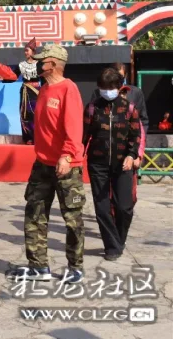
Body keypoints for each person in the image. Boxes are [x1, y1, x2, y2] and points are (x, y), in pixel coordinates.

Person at [11, 44, 85, 284]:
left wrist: (66, 156)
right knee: (34, 214)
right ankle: (38, 266)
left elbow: (74, 128)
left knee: (72, 219)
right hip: (42, 164)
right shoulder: (43, 90)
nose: (38, 64)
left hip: (66, 165)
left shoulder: (68, 89)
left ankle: (75, 267)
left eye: (42, 61)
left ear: (53, 64)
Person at [83, 67, 141, 261]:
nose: (106, 91)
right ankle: (112, 246)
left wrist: (132, 155)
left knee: (124, 206)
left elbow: (135, 135)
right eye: (102, 87)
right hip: (97, 163)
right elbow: (83, 136)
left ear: (118, 86)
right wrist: (74, 157)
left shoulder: (130, 108)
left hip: (122, 164)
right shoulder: (92, 108)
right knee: (102, 208)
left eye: (110, 87)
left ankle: (119, 239)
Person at [89, 62, 149, 169]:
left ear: (124, 76)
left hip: (128, 152)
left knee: (127, 184)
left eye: (119, 76)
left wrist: (137, 153)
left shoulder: (134, 93)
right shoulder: (98, 93)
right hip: (102, 156)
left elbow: (141, 123)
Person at [18, 38, 41, 145]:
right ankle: (28, 137)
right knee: (25, 114)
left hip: (36, 92)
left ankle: (37, 137)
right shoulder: (21, 65)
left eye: (27, 50)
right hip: (25, 92)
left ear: (33, 51)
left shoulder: (40, 64)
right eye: (25, 51)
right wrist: (2, 78)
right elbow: (13, 76)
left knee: (36, 114)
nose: (25, 52)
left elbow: (45, 79)